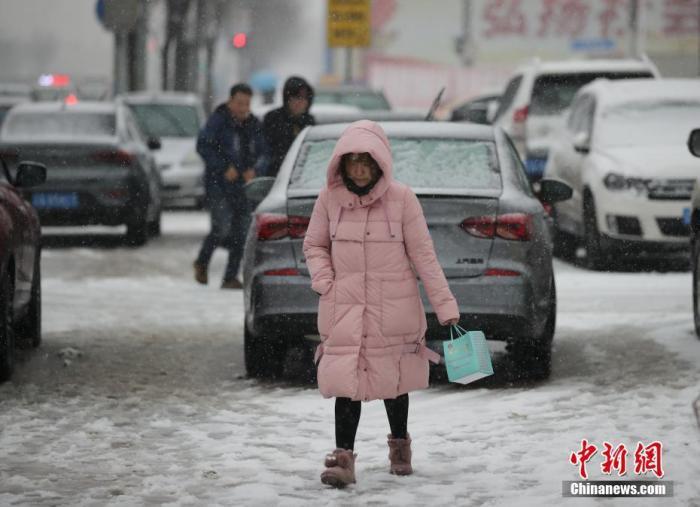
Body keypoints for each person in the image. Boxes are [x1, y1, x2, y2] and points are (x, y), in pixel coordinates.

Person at [302, 120, 460, 488]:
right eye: (351, 160)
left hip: (394, 308)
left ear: (379, 163)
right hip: (344, 308)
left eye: (365, 160)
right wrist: (325, 281)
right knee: (346, 384)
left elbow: (424, 257)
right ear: (340, 164)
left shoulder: (403, 199)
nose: (358, 168)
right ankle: (343, 459)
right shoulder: (328, 200)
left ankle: (400, 446)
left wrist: (446, 307)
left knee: (395, 381)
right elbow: (314, 245)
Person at [193, 83, 269, 289]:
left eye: (247, 103)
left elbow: (263, 153)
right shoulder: (218, 121)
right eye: (239, 103)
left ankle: (230, 276)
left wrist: (255, 170)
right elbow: (203, 146)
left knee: (242, 232)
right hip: (220, 185)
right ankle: (202, 261)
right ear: (230, 101)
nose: (243, 108)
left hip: (244, 187)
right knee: (221, 227)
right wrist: (223, 167)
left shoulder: (254, 125)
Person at [263, 76, 315, 178]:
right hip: (275, 177)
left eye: (305, 98)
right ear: (287, 99)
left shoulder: (309, 121)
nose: (300, 102)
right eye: (296, 97)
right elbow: (265, 151)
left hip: (303, 177)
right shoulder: (273, 119)